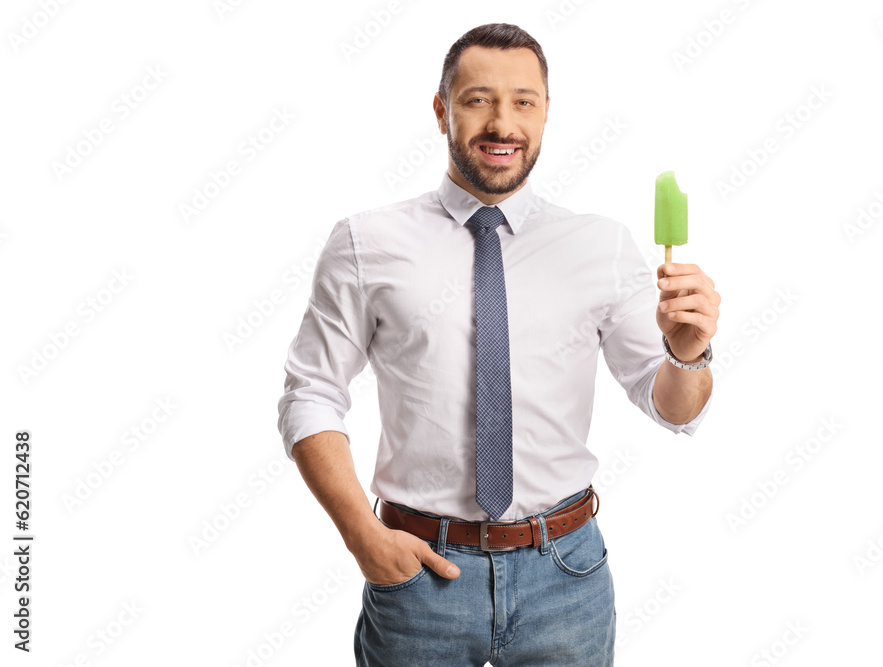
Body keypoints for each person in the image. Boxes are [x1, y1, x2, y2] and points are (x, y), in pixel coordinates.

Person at [277, 22, 719, 666]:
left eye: (523, 101)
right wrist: (363, 537)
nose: (502, 122)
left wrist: (687, 354)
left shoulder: (601, 245)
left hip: (566, 575)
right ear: (441, 110)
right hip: (418, 574)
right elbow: (311, 395)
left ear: (545, 114)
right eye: (478, 98)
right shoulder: (365, 243)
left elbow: (676, 408)